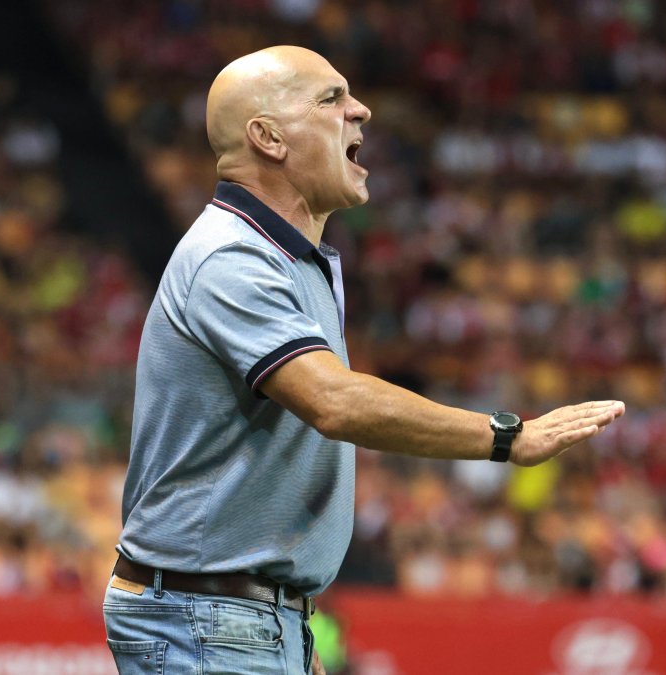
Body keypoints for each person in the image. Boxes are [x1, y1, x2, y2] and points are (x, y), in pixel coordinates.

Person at [103, 45, 626, 675]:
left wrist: (286, 628)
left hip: (238, 615)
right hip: (207, 614)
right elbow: (335, 401)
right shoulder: (231, 258)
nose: (362, 111)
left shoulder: (290, 256)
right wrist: (506, 438)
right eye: (330, 99)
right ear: (268, 138)